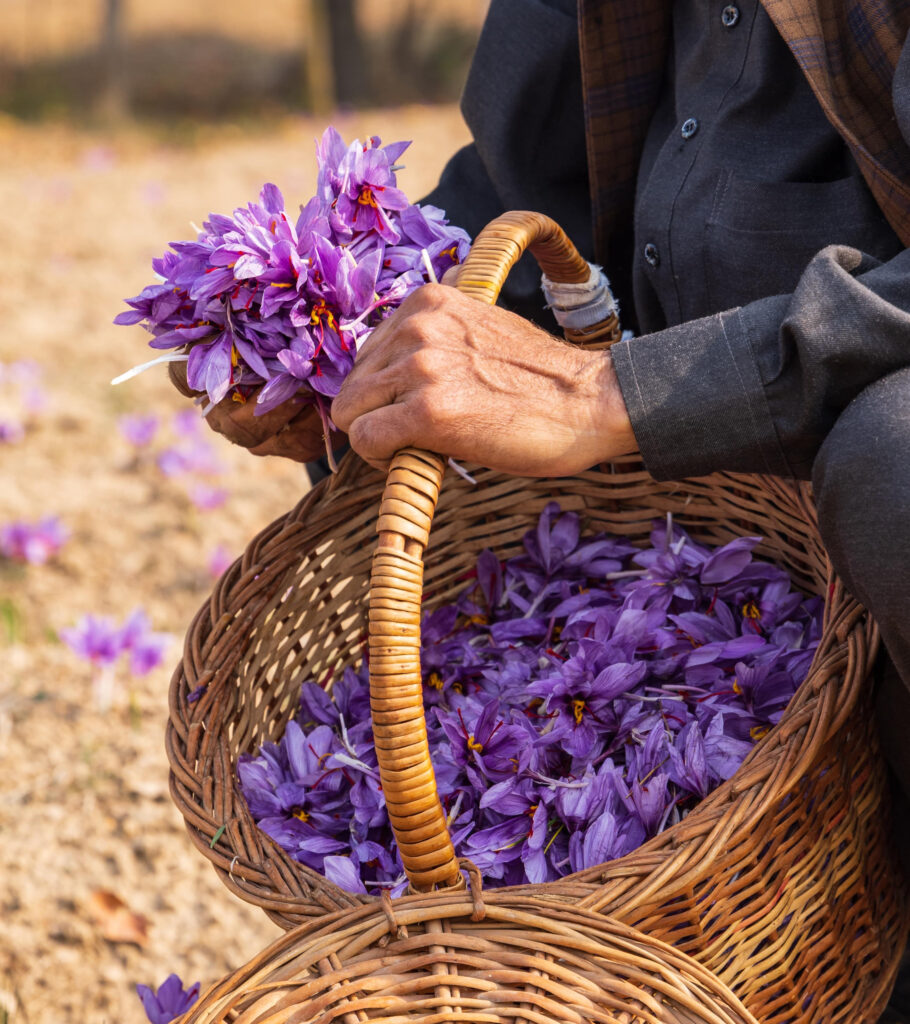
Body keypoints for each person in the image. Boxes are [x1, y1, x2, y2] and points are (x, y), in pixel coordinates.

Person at [182, 0, 910, 1011]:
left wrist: (606, 393)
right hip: (694, 517)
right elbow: (514, 193)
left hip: (857, 444)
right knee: (414, 421)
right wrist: (340, 345)